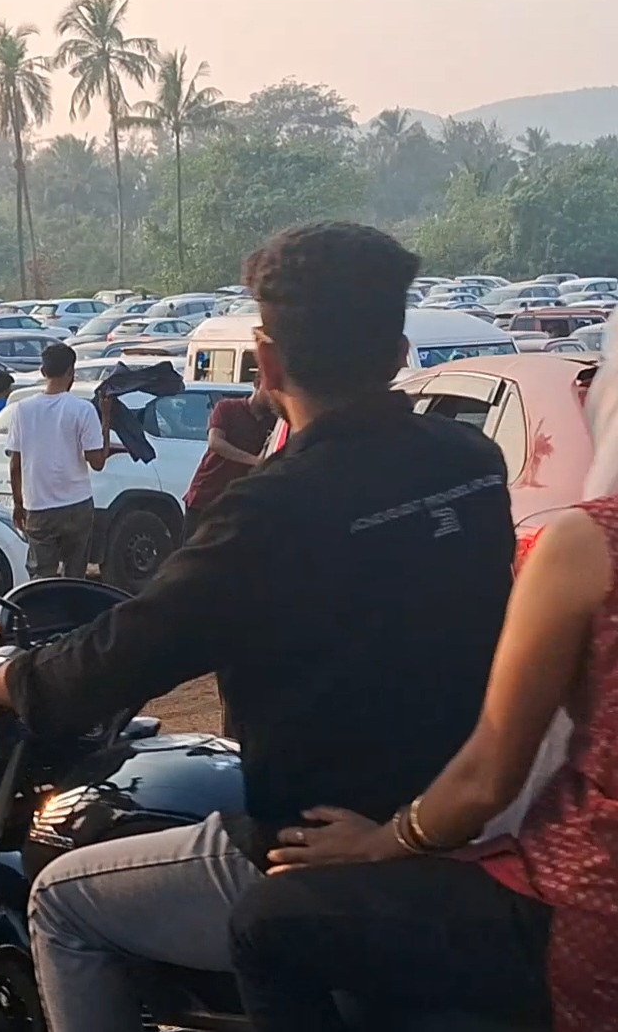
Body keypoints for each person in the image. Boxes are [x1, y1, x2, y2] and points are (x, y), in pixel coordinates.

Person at [0, 222, 516, 1032]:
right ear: (399, 351)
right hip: (471, 823)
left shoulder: (271, 510)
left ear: (266, 362)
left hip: (315, 844)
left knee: (61, 901)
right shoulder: (470, 463)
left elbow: (123, 653)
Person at [229, 325, 618, 1032]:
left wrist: (381, 842)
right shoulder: (471, 461)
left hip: (583, 911)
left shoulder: (588, 544)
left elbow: (489, 777)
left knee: (264, 924)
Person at [7, 342, 111, 579]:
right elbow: (97, 462)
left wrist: (18, 503)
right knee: (75, 575)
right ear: (71, 372)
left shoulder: (22, 410)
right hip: (77, 505)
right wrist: (106, 420)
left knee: (41, 575)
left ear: (43, 372)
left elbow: (15, 464)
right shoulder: (83, 409)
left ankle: (43, 604)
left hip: (38, 506)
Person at [183, 379, 275, 541]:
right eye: (270, 389)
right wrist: (255, 461)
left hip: (239, 502)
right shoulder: (227, 408)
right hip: (206, 496)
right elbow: (215, 442)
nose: (273, 396)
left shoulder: (274, 422)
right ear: (257, 383)